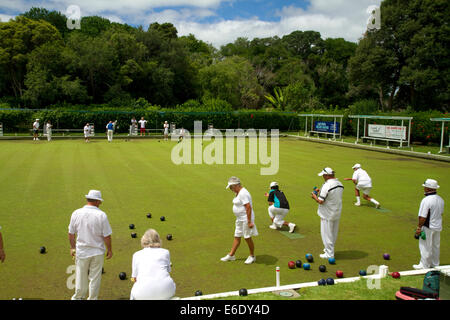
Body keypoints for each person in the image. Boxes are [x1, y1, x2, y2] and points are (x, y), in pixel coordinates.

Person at [68, 190, 113, 300]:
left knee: (80, 278)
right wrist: (110, 250)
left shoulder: (76, 213)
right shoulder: (101, 215)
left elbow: (71, 233)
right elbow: (107, 236)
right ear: (97, 201)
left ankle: (77, 298)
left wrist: (73, 248)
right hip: (97, 253)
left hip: (82, 252)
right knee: (95, 279)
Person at [130, 229, 176, 300]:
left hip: (142, 294)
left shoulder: (136, 255)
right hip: (166, 290)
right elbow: (168, 271)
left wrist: (134, 280)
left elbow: (134, 278)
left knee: (133, 293)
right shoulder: (166, 252)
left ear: (143, 240)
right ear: (158, 240)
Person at [221, 176, 258, 264]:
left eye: (231, 187)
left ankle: (252, 256)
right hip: (239, 218)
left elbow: (248, 207)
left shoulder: (243, 193)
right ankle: (231, 255)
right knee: (237, 236)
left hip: (246, 219)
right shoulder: (238, 192)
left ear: (236, 185)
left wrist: (249, 222)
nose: (230, 189)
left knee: (247, 237)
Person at [311, 167, 344, 260]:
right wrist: (320, 191)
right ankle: (328, 250)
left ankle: (329, 254)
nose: (323, 177)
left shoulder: (327, 185)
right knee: (333, 233)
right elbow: (331, 196)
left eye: (323, 175)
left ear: (327, 175)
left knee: (326, 234)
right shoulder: (340, 184)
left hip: (327, 213)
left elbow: (320, 201)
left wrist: (314, 196)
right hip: (337, 211)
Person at [413, 179, 444, 270]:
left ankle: (424, 265)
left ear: (427, 188)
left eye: (425, 187)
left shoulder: (426, 200)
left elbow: (422, 216)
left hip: (428, 226)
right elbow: (441, 213)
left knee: (425, 246)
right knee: (435, 246)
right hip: (437, 226)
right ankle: (435, 264)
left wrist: (419, 228)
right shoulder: (441, 199)